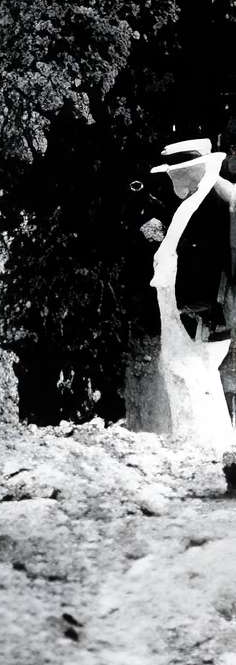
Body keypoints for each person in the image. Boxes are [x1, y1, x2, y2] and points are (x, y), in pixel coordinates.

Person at [139, 136, 236, 484]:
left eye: (175, 175)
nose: (171, 183)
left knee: (190, 374)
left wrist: (201, 310)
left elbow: (211, 264)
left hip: (202, 310)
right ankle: (206, 450)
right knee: (188, 375)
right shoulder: (198, 202)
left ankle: (205, 451)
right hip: (195, 308)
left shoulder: (216, 204)